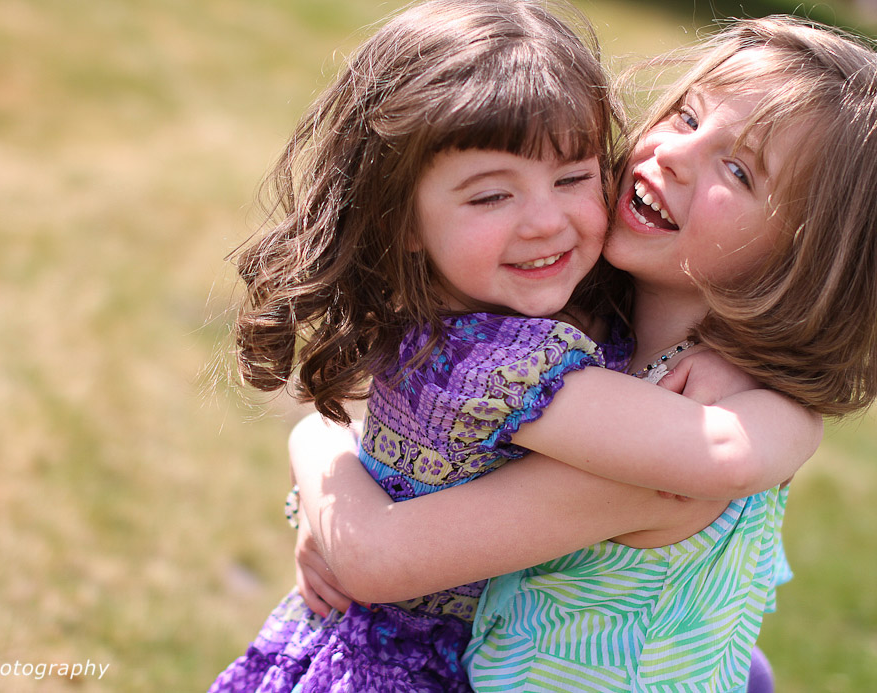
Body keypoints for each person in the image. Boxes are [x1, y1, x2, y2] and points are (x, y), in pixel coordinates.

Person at [288, 14, 877, 692]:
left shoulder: (668, 444)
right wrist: (320, 481)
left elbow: (725, 460)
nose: (676, 155)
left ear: (804, 261)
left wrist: (316, 447)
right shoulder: (588, 340)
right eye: (687, 117)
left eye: (739, 170)